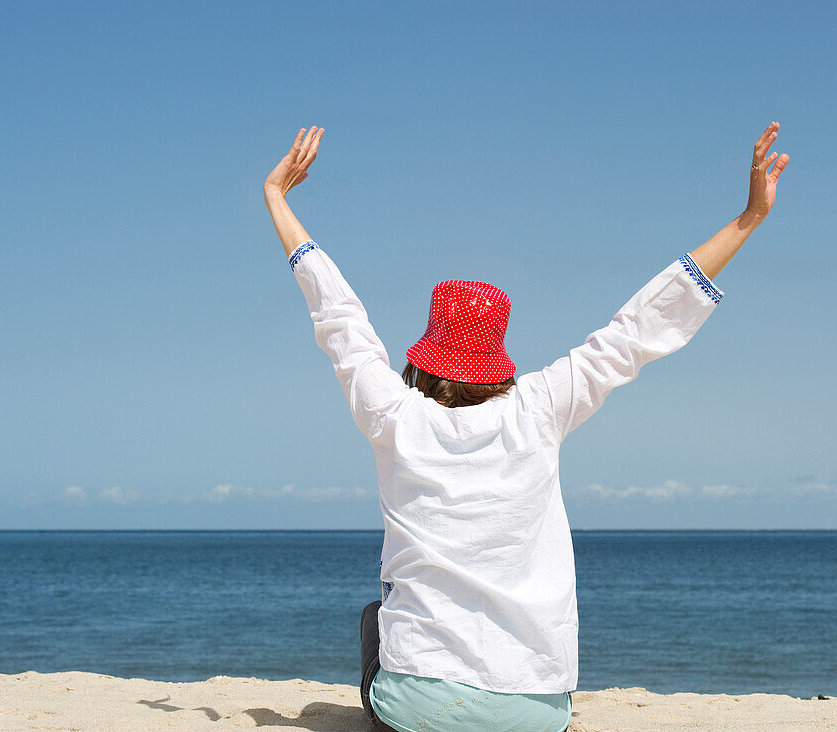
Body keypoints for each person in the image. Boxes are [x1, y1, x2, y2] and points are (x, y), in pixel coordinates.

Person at [263, 123, 789, 732]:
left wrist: (278, 198)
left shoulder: (393, 415)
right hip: (532, 711)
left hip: (416, 707)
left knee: (375, 619)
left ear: (423, 355)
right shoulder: (540, 407)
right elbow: (637, 330)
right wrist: (749, 217)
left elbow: (340, 318)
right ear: (497, 359)